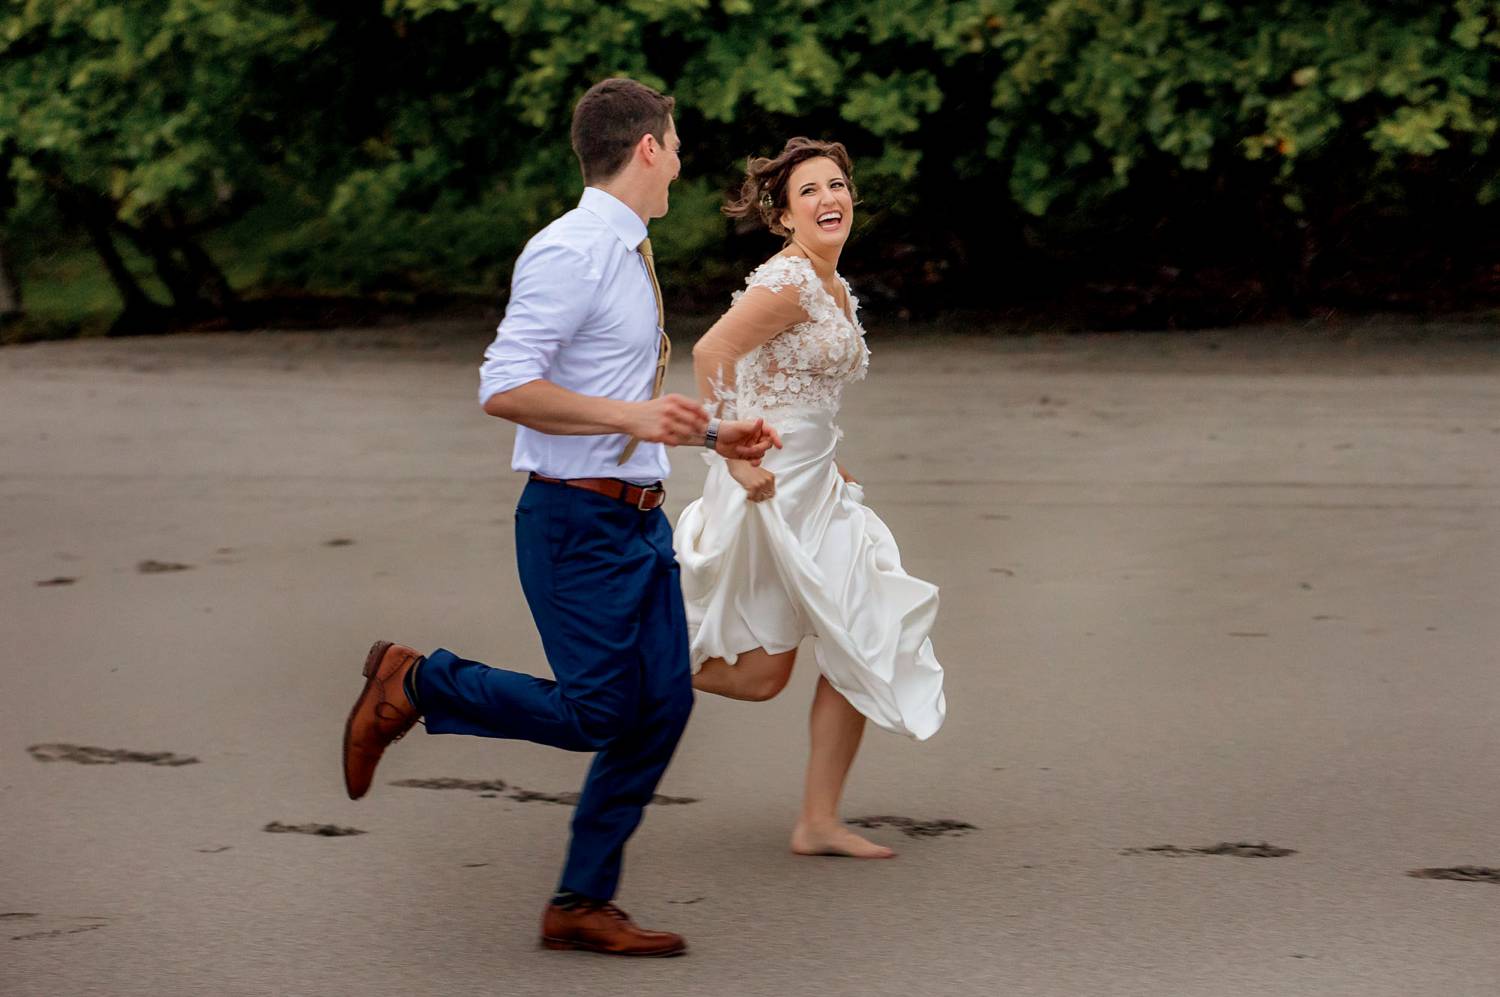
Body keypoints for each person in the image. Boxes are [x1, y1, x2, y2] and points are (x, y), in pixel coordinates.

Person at [340, 77, 781, 958]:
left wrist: (713, 433)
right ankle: (419, 683)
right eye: (676, 148)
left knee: (661, 709)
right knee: (598, 713)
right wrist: (632, 417)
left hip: (638, 523)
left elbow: (619, 399)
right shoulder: (571, 250)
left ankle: (581, 901)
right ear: (647, 147)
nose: (680, 164)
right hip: (574, 525)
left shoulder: (627, 251)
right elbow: (504, 386)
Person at [676, 138, 946, 860]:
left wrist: (831, 458)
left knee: (860, 635)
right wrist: (731, 456)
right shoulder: (788, 281)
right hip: (766, 485)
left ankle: (818, 821)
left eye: (837, 185)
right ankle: (637, 659)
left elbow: (797, 390)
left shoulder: (833, 284)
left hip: (818, 485)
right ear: (783, 216)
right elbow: (711, 354)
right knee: (762, 675)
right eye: (809, 191)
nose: (829, 199)